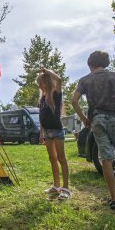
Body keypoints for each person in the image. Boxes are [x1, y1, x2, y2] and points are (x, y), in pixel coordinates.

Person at [71, 50, 115, 210]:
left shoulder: (85, 80)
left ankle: (114, 198)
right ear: (105, 63)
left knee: (106, 158)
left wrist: (84, 119)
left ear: (90, 64)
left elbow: (73, 100)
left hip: (97, 119)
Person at [36, 68, 70, 200]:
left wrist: (47, 71)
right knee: (52, 159)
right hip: (47, 133)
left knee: (61, 158)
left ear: (47, 82)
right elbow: (41, 118)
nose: (39, 86)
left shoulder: (56, 94)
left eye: (40, 83)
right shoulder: (42, 98)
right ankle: (56, 186)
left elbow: (59, 79)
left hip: (57, 131)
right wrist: (41, 134)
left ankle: (66, 188)